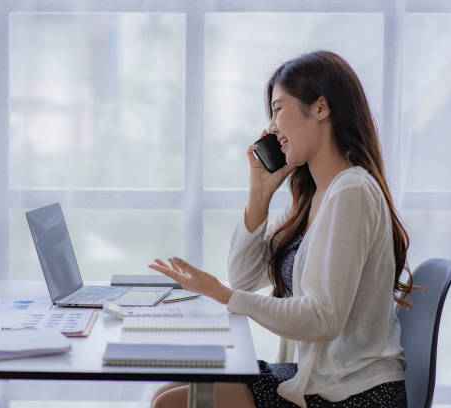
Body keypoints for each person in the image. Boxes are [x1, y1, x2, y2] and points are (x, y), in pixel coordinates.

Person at [148, 50, 413, 408]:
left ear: (320, 108)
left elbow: (323, 319)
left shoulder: (352, 191)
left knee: (173, 403)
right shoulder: (315, 195)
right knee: (169, 390)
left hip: (355, 392)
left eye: (278, 109)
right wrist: (259, 195)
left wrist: (221, 295)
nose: (271, 127)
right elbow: (244, 277)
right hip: (320, 378)